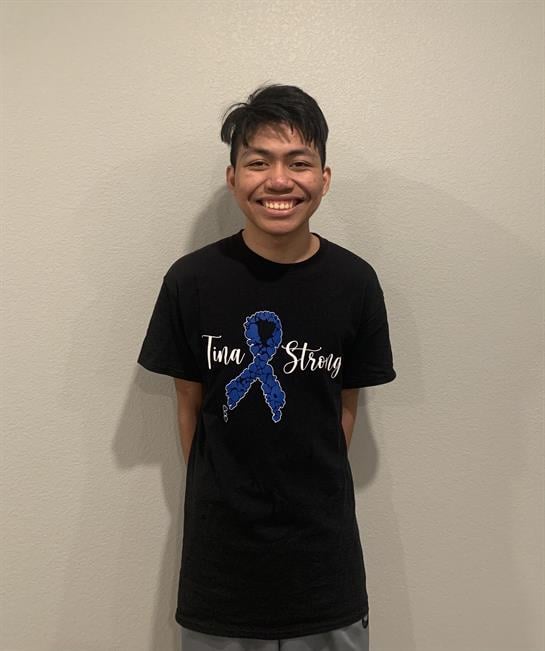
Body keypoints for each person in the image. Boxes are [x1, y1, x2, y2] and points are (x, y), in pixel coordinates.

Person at [137, 84, 396, 651]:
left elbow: (343, 411)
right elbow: (189, 407)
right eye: (259, 162)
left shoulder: (355, 283)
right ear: (233, 178)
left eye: (299, 163)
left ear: (324, 178)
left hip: (325, 568)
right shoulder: (191, 282)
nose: (279, 180)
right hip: (219, 569)